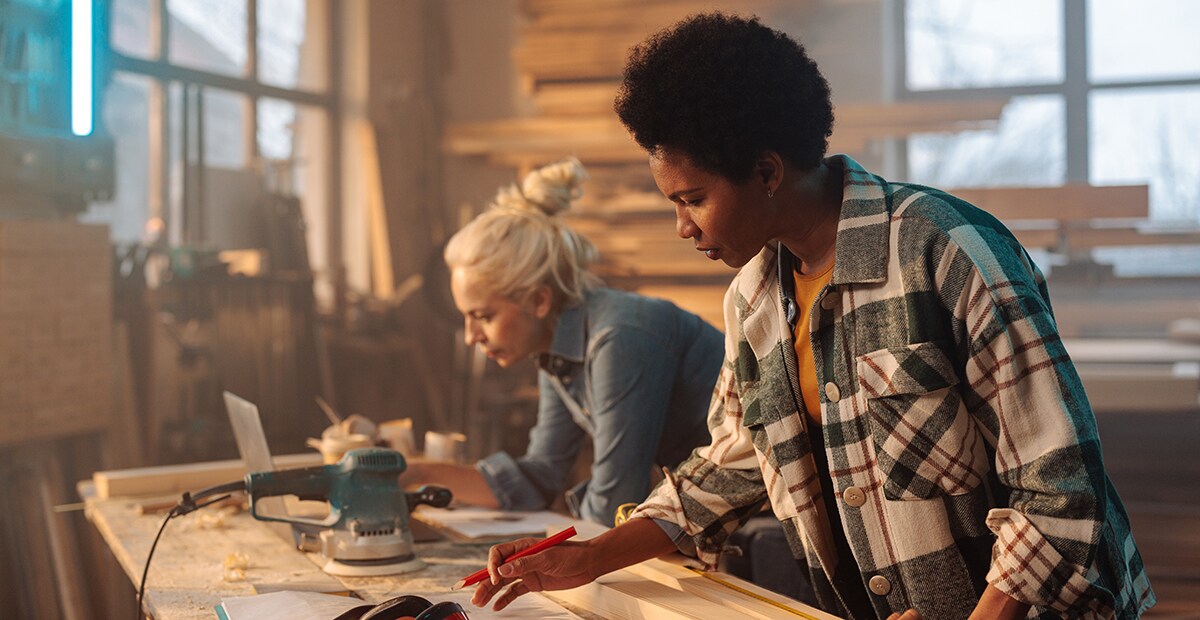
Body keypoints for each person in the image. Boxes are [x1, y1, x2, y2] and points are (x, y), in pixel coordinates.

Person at [470, 13, 1155, 620]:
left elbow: (1061, 488)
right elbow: (735, 465)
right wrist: (590, 557)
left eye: (694, 199)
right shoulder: (752, 300)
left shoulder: (945, 250)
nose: (682, 227)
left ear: (767, 171)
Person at [402, 157, 723, 527]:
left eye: (483, 316)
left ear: (538, 301)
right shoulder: (556, 349)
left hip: (766, 509)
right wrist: (414, 474)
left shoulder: (617, 338)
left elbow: (615, 500)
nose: (472, 336)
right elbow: (541, 475)